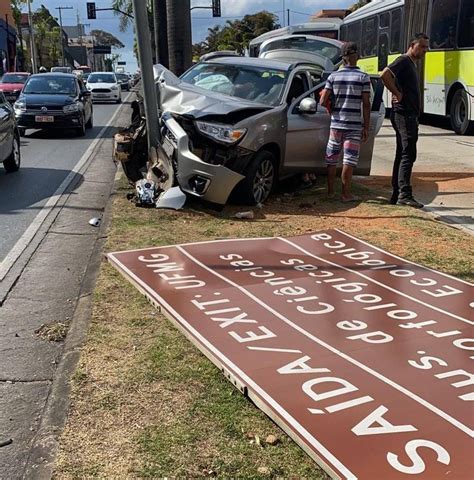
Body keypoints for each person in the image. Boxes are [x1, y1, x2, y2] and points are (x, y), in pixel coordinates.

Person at [380, 33, 429, 208]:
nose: (424, 50)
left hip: (409, 115)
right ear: (412, 45)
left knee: (403, 153)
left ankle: (396, 193)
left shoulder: (411, 65)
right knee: (408, 153)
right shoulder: (403, 60)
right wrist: (397, 93)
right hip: (404, 114)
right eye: (421, 46)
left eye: (426, 47)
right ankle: (404, 194)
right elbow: (385, 75)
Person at [320, 42, 371, 202]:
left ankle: (329, 192)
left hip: (336, 125)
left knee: (332, 159)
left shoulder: (333, 76)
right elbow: (366, 103)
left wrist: (332, 106)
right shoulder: (363, 77)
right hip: (354, 126)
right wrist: (366, 126)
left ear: (343, 58)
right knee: (349, 160)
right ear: (357, 56)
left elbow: (322, 101)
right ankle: (346, 194)